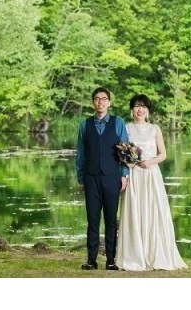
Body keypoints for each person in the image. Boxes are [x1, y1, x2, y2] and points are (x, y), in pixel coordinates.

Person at [117, 94, 187, 271]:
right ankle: (134, 255)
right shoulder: (126, 128)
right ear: (131, 109)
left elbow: (163, 154)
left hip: (151, 175)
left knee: (153, 210)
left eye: (143, 106)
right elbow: (121, 153)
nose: (140, 110)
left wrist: (150, 162)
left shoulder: (155, 128)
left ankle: (155, 254)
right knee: (134, 211)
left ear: (148, 110)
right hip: (133, 175)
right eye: (136, 106)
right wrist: (129, 162)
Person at [75, 87, 129, 270]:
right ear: (93, 102)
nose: (100, 102)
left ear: (109, 102)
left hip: (112, 177)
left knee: (111, 220)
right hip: (90, 178)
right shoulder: (85, 125)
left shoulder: (118, 122)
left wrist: (124, 175)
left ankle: (111, 260)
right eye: (97, 99)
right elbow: (80, 154)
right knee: (92, 219)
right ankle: (91, 260)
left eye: (104, 99)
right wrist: (80, 178)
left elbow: (125, 152)